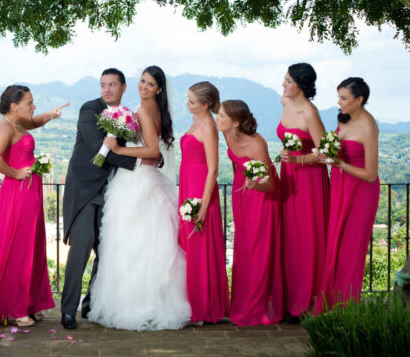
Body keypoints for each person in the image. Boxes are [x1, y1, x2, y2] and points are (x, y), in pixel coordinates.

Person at [87, 65, 191, 331]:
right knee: (142, 244)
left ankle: (130, 305)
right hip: (144, 179)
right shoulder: (156, 111)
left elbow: (153, 151)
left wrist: (119, 147)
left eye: (150, 84)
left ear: (159, 89)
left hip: (135, 181)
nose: (144, 86)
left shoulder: (145, 111)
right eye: (142, 81)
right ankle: (144, 299)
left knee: (129, 244)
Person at [60, 68, 139, 330]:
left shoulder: (127, 116)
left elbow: (121, 147)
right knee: (81, 247)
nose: (106, 89)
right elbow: (99, 150)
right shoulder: (88, 110)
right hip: (84, 189)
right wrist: (141, 160)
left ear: (123, 87)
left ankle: (90, 303)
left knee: (106, 251)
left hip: (111, 191)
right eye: (103, 84)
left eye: (112, 85)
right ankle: (68, 310)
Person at [0, 85, 66, 326]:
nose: (33, 106)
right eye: (29, 103)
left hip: (30, 193)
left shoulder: (19, 123)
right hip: (18, 193)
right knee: (19, 248)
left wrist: (50, 115)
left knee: (32, 246)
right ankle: (16, 308)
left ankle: (30, 302)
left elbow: (34, 122)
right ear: (13, 106)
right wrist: (15, 173)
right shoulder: (5, 127)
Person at [217, 100, 284, 326]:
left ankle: (257, 307)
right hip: (242, 195)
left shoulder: (256, 144)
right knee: (244, 248)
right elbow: (238, 166)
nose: (217, 118)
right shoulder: (227, 135)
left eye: (222, 116)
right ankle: (243, 301)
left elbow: (271, 185)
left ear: (235, 123)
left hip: (262, 197)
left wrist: (255, 185)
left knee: (258, 250)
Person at [317, 78, 379, 310]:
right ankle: (330, 305)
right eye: (339, 97)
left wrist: (338, 164)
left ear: (359, 99)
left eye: (344, 98)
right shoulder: (342, 121)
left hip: (360, 193)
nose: (339, 102)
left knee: (351, 251)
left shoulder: (368, 126)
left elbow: (371, 175)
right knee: (334, 246)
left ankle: (346, 309)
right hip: (340, 188)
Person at [277, 63, 329, 320]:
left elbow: (326, 153)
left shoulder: (310, 113)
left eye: (288, 81)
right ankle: (290, 299)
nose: (283, 84)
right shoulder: (285, 103)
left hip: (309, 181)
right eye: (284, 79)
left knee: (307, 237)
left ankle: (308, 302)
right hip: (288, 178)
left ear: (301, 85)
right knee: (289, 236)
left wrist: (298, 160)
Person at [178, 82, 229, 325]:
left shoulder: (209, 125)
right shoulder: (196, 121)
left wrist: (204, 204)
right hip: (188, 183)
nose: (187, 104)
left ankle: (203, 307)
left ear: (205, 104)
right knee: (189, 246)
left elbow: (213, 168)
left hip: (200, 190)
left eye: (192, 101)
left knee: (198, 246)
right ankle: (192, 302)